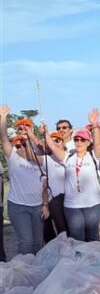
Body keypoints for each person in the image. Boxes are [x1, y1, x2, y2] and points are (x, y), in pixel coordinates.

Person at [45, 109, 100, 242]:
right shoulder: (68, 157)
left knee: (93, 237)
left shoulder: (93, 156)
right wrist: (45, 133)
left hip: (92, 204)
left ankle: (94, 261)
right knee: (77, 238)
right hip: (72, 206)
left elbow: (99, 143)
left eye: (82, 140)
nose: (79, 142)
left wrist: (94, 125)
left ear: (88, 142)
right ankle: (80, 263)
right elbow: (54, 148)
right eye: (77, 139)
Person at [0, 106, 46, 254]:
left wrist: (45, 204)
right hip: (19, 206)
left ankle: (36, 272)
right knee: (26, 243)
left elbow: (45, 184)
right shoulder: (12, 157)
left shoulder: (39, 156)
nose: (20, 146)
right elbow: (4, 138)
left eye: (23, 144)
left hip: (37, 206)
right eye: (18, 144)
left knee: (38, 242)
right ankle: (25, 273)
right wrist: (3, 118)